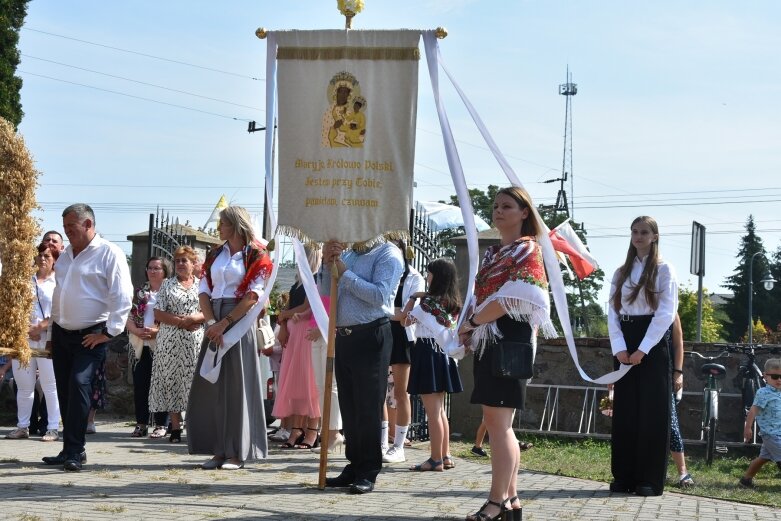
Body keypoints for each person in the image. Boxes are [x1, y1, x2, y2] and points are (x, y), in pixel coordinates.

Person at [457, 187, 555, 521]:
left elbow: (515, 298)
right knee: (499, 425)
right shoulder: (493, 253)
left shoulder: (528, 249)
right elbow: (482, 295)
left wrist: (472, 321)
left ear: (524, 212)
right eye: (495, 205)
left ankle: (496, 502)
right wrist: (470, 324)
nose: (498, 211)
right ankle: (511, 501)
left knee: (500, 427)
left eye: (507, 206)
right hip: (491, 338)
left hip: (509, 339)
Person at [43, 203, 133, 471]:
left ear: (88, 225)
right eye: (65, 227)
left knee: (79, 384)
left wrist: (108, 332)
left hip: (90, 335)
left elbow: (122, 295)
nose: (67, 232)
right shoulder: (67, 255)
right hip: (61, 333)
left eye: (72, 227)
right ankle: (70, 449)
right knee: (64, 390)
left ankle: (74, 450)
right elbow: (59, 295)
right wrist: (50, 333)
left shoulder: (109, 253)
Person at [187, 206, 272, 470]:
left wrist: (225, 322)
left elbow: (253, 296)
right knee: (215, 388)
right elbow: (204, 289)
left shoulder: (257, 254)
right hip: (215, 319)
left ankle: (239, 450)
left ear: (235, 225)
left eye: (222, 223)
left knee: (238, 386)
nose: (219, 228)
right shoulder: (215, 254)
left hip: (238, 321)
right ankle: (219, 449)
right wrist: (212, 322)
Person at [321, 238, 404, 494]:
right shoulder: (350, 254)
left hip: (371, 334)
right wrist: (327, 265)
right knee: (350, 405)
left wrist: (344, 272)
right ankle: (354, 463)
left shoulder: (388, 254)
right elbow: (327, 292)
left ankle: (368, 469)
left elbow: (379, 295)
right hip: (345, 336)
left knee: (368, 405)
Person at [607, 215, 678, 497]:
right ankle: (624, 476)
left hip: (652, 341)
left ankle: (649, 479)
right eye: (635, 231)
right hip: (625, 340)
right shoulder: (620, 272)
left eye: (644, 232)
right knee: (625, 411)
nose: (638, 236)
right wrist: (619, 348)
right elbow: (612, 311)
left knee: (651, 412)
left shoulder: (663, 270)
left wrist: (643, 349)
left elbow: (666, 314)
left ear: (654, 236)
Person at [403, 258, 463, 472]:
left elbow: (405, 320)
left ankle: (435, 459)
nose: (426, 276)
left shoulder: (427, 304)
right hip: (443, 356)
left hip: (427, 353)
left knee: (433, 412)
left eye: (429, 273)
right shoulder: (451, 302)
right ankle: (445, 455)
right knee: (440, 411)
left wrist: (413, 297)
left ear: (436, 276)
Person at [5, 243, 62, 442]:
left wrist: (41, 328)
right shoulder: (26, 281)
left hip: (48, 338)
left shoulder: (58, 281)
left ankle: (53, 428)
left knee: (49, 385)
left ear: (54, 259)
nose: (42, 259)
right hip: (25, 338)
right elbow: (15, 309)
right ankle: (23, 426)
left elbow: (59, 310)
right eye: (39, 255)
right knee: (24, 386)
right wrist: (24, 330)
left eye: (47, 255)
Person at [151, 246, 205, 443]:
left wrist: (193, 318)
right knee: (171, 381)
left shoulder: (202, 285)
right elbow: (158, 313)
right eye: (178, 261)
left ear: (193, 263)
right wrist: (182, 322)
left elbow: (208, 311)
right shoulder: (167, 284)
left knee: (193, 383)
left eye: (185, 260)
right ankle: (175, 427)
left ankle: (193, 425)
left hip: (194, 341)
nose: (181, 264)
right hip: (170, 340)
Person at [272, 246, 322, 450]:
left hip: (307, 334)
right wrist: (283, 322)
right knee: (296, 384)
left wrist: (285, 315)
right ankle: (296, 428)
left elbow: (307, 307)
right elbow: (290, 307)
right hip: (294, 336)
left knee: (310, 382)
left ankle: (312, 430)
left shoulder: (318, 279)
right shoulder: (298, 280)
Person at [383, 239, 424, 464]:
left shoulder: (414, 277)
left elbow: (407, 316)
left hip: (401, 338)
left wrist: (382, 310)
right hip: (380, 334)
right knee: (379, 392)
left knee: (400, 393)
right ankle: (382, 441)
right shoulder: (380, 272)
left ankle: (398, 445)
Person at [126, 257, 171, 438]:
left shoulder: (170, 292)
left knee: (161, 385)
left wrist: (157, 332)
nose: (152, 271)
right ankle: (141, 423)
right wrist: (136, 330)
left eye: (157, 268)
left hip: (161, 344)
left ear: (165, 271)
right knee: (141, 386)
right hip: (140, 344)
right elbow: (128, 317)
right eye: (150, 268)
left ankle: (161, 424)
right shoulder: (139, 293)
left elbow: (174, 318)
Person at [739, 358, 781, 488]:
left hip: (778, 433)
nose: (779, 380)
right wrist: (748, 428)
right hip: (771, 434)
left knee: (763, 458)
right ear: (765, 376)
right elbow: (753, 411)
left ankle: (745, 480)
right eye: (775, 377)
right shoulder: (763, 393)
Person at [670, 314, 694, 487]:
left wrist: (678, 372)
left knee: (671, 424)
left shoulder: (671, 311)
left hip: (666, 373)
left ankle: (682, 471)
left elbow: (678, 344)